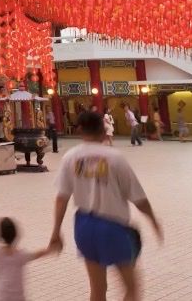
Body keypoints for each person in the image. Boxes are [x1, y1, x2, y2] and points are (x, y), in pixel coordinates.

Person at [48, 111, 163, 301]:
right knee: (132, 288)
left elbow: (62, 197)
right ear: (103, 130)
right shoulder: (115, 158)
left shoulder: (70, 157)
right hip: (113, 227)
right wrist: (153, 220)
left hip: (84, 226)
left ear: (79, 130)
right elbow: (139, 199)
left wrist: (55, 232)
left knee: (97, 288)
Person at [0, 217, 52, 301]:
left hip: (1, 295)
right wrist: (49, 250)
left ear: (0, 236)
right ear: (16, 235)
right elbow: (35, 255)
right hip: (17, 296)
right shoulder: (21, 255)